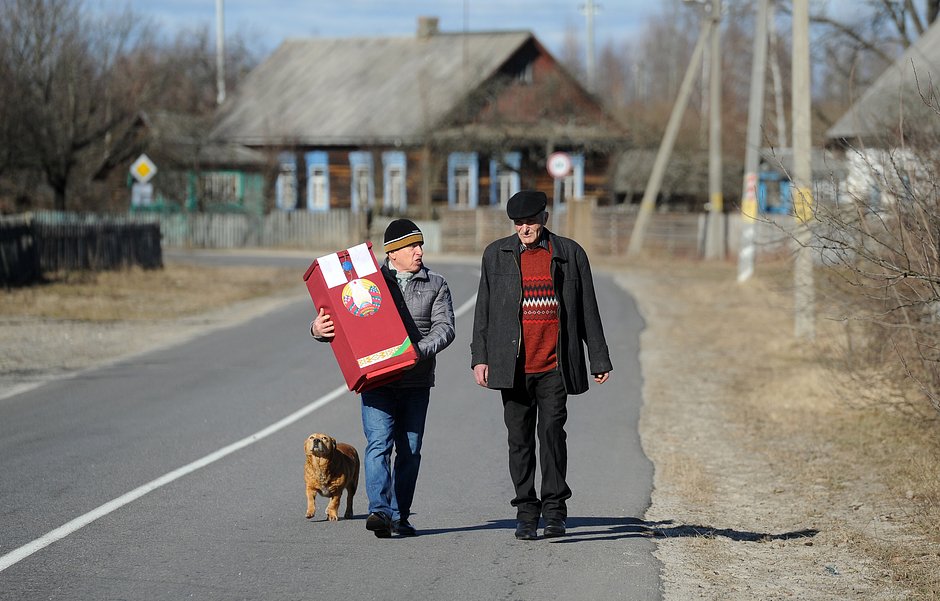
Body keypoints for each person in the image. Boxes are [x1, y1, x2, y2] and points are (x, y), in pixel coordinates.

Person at [470, 189, 612, 541]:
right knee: (518, 441)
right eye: (518, 223)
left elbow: (587, 309)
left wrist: (598, 357)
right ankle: (525, 511)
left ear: (544, 219)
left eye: (530, 221)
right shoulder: (496, 255)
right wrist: (480, 357)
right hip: (512, 366)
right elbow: (483, 310)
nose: (524, 228)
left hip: (554, 365)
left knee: (551, 436)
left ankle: (555, 511)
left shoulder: (569, 254)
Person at [311, 219, 455, 538]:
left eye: (420, 245)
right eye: (411, 246)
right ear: (392, 252)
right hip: (377, 380)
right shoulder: (367, 281)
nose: (419, 251)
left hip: (416, 382)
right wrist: (316, 330)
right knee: (378, 444)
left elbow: (446, 328)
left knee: (410, 450)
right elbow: (338, 316)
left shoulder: (436, 283)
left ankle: (400, 516)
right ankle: (380, 510)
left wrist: (417, 350)